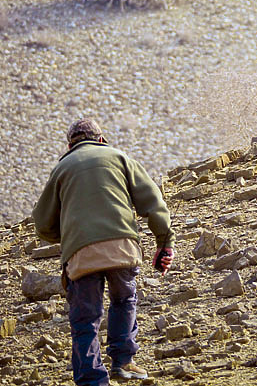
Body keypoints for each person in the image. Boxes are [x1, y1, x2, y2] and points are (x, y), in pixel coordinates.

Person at [32, 118, 175, 386]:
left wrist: (69, 236)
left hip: (81, 253)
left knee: (86, 318)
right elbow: (154, 203)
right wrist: (164, 242)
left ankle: (92, 379)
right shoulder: (119, 157)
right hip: (122, 246)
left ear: (70, 144)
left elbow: (41, 224)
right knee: (124, 300)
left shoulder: (62, 168)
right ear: (101, 139)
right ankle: (123, 362)